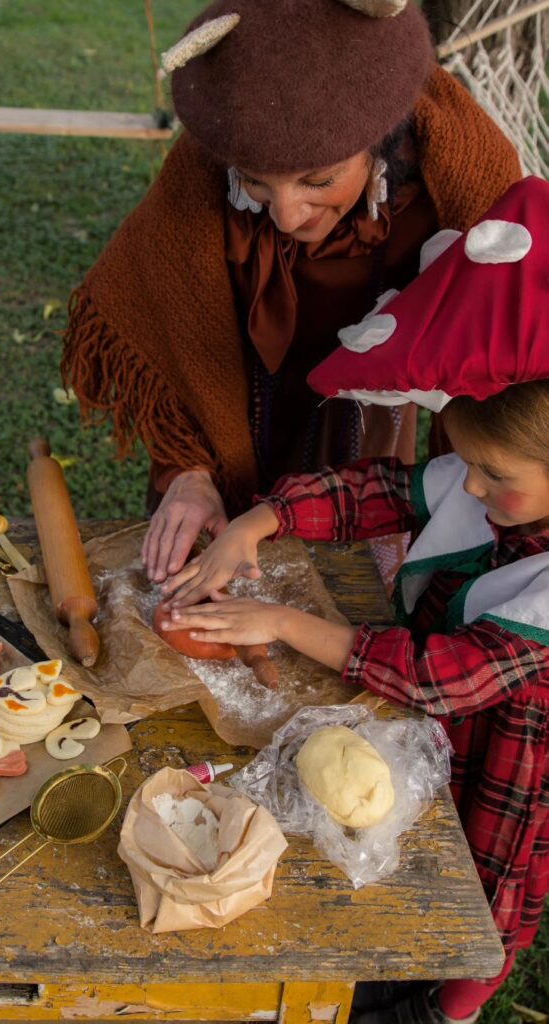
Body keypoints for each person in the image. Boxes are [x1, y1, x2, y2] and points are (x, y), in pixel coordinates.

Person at [159, 177, 549, 1024]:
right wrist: (258, 521)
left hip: (510, 776)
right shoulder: (487, 480)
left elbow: (442, 675)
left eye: (495, 477)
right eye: (467, 462)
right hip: (430, 738)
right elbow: (376, 489)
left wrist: (283, 621)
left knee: (480, 903)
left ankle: (451, 1006)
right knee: (396, 853)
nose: (469, 485)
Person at [61, 0, 522, 585]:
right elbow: (174, 336)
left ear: (380, 142)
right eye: (256, 182)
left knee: (358, 575)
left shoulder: (458, 182)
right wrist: (189, 474)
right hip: (240, 412)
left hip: (372, 426)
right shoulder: (206, 170)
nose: (284, 215)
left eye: (318, 180)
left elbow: (507, 351)